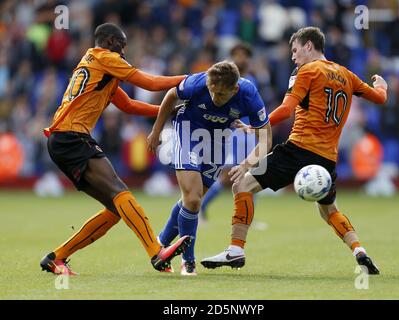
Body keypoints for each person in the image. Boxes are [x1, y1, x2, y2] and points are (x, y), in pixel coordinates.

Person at [201, 27, 387, 275]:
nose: (293, 56)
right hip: (327, 158)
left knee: (242, 185)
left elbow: (287, 110)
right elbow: (379, 98)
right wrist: (382, 85)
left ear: (309, 46)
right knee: (329, 210)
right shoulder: (346, 74)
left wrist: (257, 125)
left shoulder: (306, 70)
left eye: (295, 49)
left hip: (299, 148)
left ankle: (235, 250)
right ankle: (359, 251)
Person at [40, 23, 191, 276]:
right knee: (120, 191)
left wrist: (166, 112)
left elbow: (129, 104)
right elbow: (150, 83)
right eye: (122, 44)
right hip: (72, 137)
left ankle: (56, 258)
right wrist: (190, 79)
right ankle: (157, 253)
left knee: (115, 208)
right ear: (109, 41)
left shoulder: (97, 65)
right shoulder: (105, 57)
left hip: (63, 139)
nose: (124, 50)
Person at [147, 61, 272, 275]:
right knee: (193, 199)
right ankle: (188, 261)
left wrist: (245, 165)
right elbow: (170, 96)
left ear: (235, 89)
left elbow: (265, 138)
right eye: (213, 92)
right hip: (189, 131)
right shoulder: (197, 83)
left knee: (192, 201)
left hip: (219, 139)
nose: (215, 98)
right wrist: (156, 131)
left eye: (222, 95)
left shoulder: (249, 94)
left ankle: (161, 243)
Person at [200, 43, 258, 222]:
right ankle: (200, 206)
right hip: (234, 133)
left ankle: (248, 216)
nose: (241, 59)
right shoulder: (226, 83)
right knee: (227, 177)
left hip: (250, 133)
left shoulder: (252, 81)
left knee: (253, 174)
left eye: (244, 55)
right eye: (237, 55)